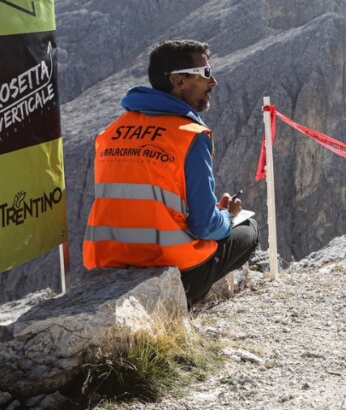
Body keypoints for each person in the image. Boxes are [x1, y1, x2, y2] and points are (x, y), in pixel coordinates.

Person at [83, 40, 259, 309]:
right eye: (206, 74)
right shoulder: (190, 136)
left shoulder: (110, 133)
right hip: (171, 271)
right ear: (179, 81)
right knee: (248, 231)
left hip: (108, 266)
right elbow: (204, 226)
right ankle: (184, 302)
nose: (214, 83)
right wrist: (227, 215)